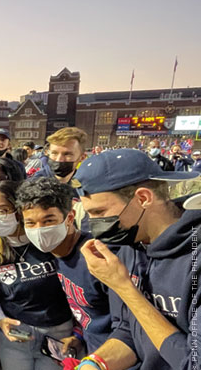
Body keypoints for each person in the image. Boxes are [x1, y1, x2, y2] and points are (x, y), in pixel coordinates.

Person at [72, 149, 200, 370]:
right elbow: (129, 331)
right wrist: (95, 363)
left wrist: (124, 288)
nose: (93, 225)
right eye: (89, 214)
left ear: (143, 198)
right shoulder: (132, 245)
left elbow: (193, 363)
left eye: (100, 212)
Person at [0, 180, 72, 370]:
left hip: (57, 332)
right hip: (16, 334)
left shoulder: (44, 240)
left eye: (2, 211)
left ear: (18, 210)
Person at [16, 177, 113, 354]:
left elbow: (127, 325)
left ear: (69, 218)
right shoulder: (52, 255)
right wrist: (78, 336)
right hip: (92, 349)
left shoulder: (95, 257)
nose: (39, 230)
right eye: (30, 222)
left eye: (48, 221)